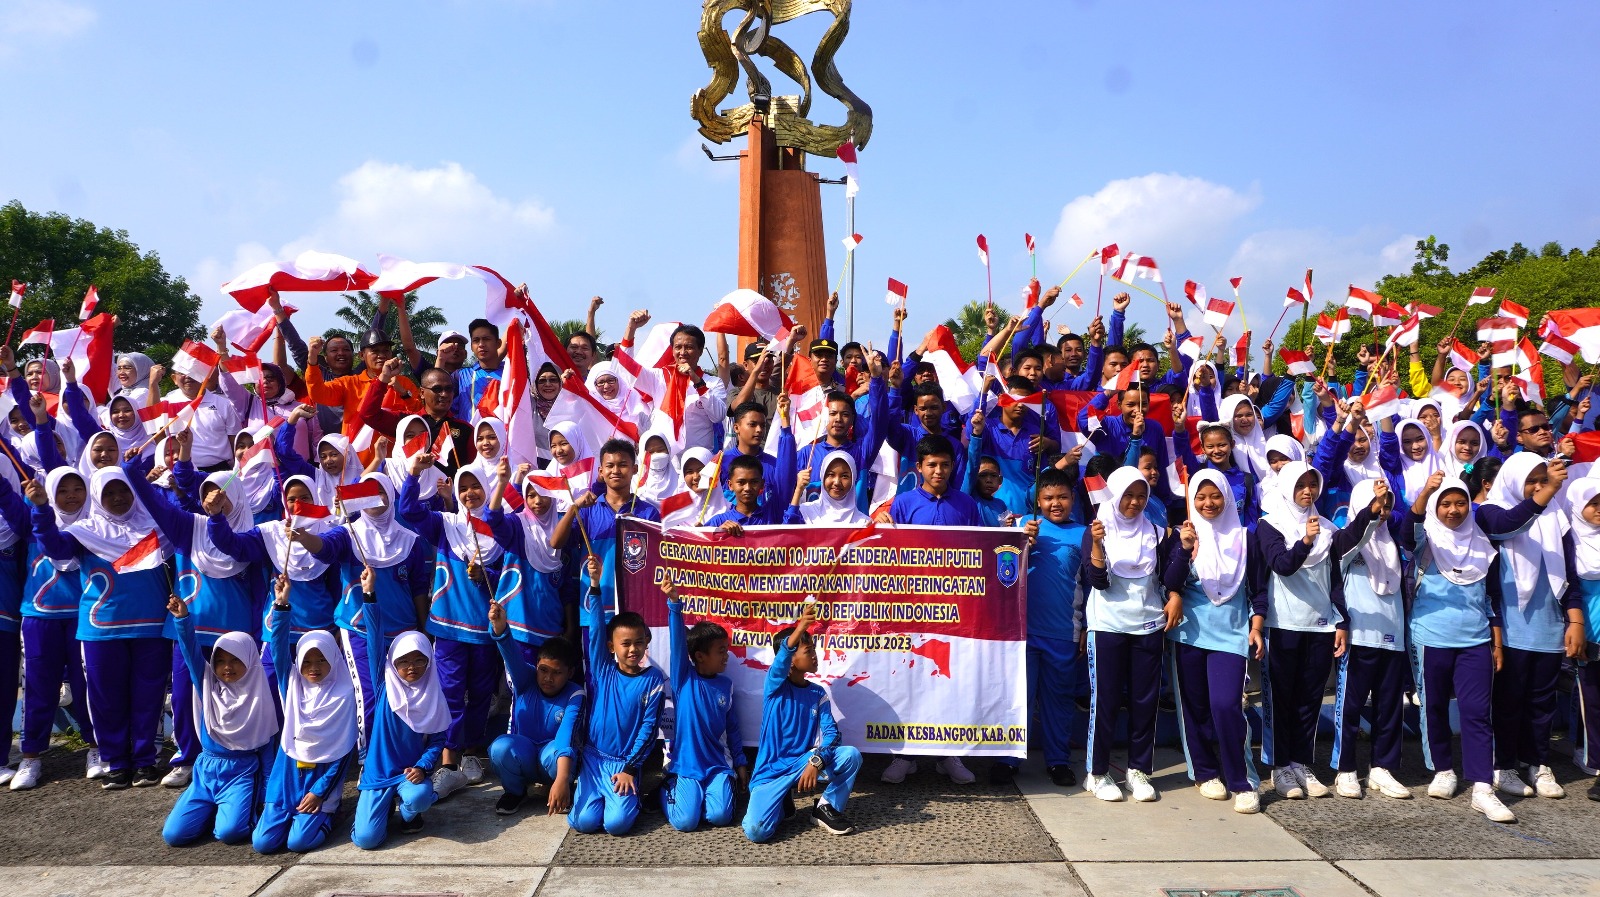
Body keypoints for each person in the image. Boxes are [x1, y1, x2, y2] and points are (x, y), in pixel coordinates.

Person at [1404, 468, 1558, 823]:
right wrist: (1426, 494)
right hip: (1430, 636)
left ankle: (1482, 788)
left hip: (1476, 639)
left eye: (1460, 503)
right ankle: (1443, 768)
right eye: (1445, 504)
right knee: (1434, 707)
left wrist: (1497, 637)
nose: (1453, 511)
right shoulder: (1426, 539)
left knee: (1476, 713)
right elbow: (1406, 529)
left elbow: (1490, 596)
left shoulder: (1482, 540)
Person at [125, 450, 264, 790]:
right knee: (187, 695)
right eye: (207, 495)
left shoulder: (255, 534)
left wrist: (258, 633)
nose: (215, 500)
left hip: (234, 634)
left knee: (236, 698)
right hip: (190, 626)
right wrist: (132, 470)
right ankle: (188, 757)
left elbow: (259, 588)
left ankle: (240, 756)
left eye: (223, 495)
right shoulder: (190, 527)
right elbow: (156, 505)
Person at [28, 467, 172, 789]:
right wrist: (40, 509)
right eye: (109, 492)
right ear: (97, 496)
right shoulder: (84, 531)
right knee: (106, 700)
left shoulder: (156, 529)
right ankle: (117, 762)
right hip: (101, 629)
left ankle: (146, 761)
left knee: (148, 698)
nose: (118, 498)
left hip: (151, 628)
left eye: (123, 490)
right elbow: (55, 547)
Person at [1252, 462, 1376, 801]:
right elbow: (1282, 565)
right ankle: (1279, 767)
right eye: (1301, 485)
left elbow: (1336, 576)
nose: (1308, 491)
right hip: (1282, 625)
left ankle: (1301, 762)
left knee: (1308, 700)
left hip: (1319, 625)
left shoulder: (1326, 528)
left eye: (1312, 484)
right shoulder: (1269, 525)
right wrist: (1306, 540)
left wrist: (1340, 621)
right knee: (1280, 700)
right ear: (1287, 487)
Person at [293, 473, 432, 743]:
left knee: (404, 696)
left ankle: (401, 756)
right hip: (360, 629)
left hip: (402, 632)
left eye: (381, 489)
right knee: (369, 695)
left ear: (391, 495)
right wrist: (304, 538)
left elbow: (417, 588)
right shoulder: (348, 534)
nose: (375, 495)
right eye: (367, 490)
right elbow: (325, 549)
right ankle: (369, 760)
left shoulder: (411, 540)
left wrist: (424, 628)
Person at [397, 459, 506, 799]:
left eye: (476, 486)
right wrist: (414, 473)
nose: (470, 493)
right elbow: (409, 511)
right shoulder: (446, 524)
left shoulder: (499, 529)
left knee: (481, 695)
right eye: (463, 487)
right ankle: (448, 759)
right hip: (447, 627)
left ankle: (472, 753)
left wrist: (486, 577)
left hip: (485, 630)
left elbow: (510, 577)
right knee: (450, 695)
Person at [1162, 469, 1263, 814]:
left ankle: (1241, 780)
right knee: (1196, 708)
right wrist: (1184, 550)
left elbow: (1258, 588)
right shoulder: (1183, 534)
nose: (1208, 503)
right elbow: (1169, 582)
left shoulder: (1246, 537)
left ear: (1227, 497)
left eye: (1215, 496)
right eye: (1200, 497)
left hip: (1231, 633)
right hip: (1190, 632)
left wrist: (1257, 624)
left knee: (1226, 705)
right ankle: (1205, 773)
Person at [1484, 453, 1581, 800]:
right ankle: (1504, 764)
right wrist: (1551, 488)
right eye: (1532, 479)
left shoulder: (1557, 517)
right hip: (1508, 629)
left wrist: (1575, 619)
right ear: (1512, 479)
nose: (1539, 486)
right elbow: (1510, 524)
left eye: (1544, 479)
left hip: (1549, 627)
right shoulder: (1490, 510)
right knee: (1509, 701)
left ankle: (1537, 762)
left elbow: (1569, 574)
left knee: (1542, 703)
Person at [6, 467, 100, 790]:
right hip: (39, 617)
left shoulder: (94, 525)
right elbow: (7, 498)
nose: (71, 495)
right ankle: (31, 756)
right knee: (38, 689)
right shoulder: (33, 519)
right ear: (50, 492)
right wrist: (38, 502)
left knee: (89, 686)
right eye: (63, 490)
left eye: (78, 489)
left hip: (83, 619)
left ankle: (96, 749)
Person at [1080, 467, 1170, 803]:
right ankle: (1097, 772)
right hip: (1107, 625)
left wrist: (1184, 549)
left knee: (1145, 702)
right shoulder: (1097, 530)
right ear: (1115, 496)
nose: (1134, 502)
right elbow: (1097, 581)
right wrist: (1099, 545)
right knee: (1105, 701)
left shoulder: (1158, 533)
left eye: (1141, 495)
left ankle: (1138, 770)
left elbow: (1168, 576)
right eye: (1128, 495)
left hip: (1148, 626)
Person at [993, 467, 1084, 786]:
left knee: (1058, 700)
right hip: (1021, 632)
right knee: (1018, 697)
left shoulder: (1084, 533)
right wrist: (1022, 544)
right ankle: (1007, 759)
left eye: (1062, 497)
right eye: (1048, 498)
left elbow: (1091, 584)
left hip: (1063, 633)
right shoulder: (1022, 526)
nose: (1055, 503)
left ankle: (1058, 760)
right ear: (1038, 500)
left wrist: (1085, 626)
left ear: (1073, 499)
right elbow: (1001, 575)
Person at [742, 602, 862, 841]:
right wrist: (801, 627)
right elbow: (780, 661)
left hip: (802, 763)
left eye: (813, 649)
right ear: (791, 661)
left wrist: (815, 761)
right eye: (808, 651)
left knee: (850, 755)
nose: (815, 655)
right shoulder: (775, 687)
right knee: (757, 832)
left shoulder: (818, 694)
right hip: (770, 773)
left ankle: (826, 808)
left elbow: (832, 735)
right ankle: (781, 800)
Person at [162, 599, 275, 846]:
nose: (227, 667)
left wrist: (266, 800)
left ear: (250, 660)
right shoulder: (208, 686)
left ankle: (230, 811)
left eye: (235, 660)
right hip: (206, 771)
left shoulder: (259, 697)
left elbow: (267, 753)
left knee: (231, 833)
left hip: (241, 772)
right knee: (174, 836)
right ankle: (214, 810)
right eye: (221, 660)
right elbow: (191, 652)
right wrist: (182, 620)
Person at [350, 568, 449, 848]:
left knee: (419, 796)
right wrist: (370, 596)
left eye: (419, 660)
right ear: (393, 662)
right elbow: (374, 637)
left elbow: (438, 740)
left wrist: (423, 765)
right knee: (367, 840)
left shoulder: (432, 694)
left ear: (429, 661)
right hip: (379, 774)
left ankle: (408, 814)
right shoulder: (385, 687)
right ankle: (374, 813)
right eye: (404, 661)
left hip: (409, 775)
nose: (411, 667)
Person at [569, 554, 665, 835]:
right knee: (584, 823)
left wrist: (630, 768)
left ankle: (634, 796)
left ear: (646, 643)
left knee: (617, 825)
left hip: (624, 762)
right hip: (593, 758)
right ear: (612, 647)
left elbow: (648, 729)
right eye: (625, 644)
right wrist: (595, 585)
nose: (633, 649)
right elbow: (597, 630)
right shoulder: (602, 669)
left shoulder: (653, 679)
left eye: (638, 643)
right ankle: (591, 796)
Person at [253, 592, 356, 854]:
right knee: (263, 844)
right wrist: (281, 607)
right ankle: (287, 814)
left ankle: (330, 816)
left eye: (321, 659)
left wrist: (320, 792)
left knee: (299, 843)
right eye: (307, 661)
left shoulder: (344, 695)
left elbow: (342, 753)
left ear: (333, 658)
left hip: (321, 781)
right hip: (286, 779)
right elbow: (277, 647)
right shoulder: (292, 689)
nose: (314, 667)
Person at [1330, 478, 1411, 800]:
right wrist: (1371, 511)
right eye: (1378, 503)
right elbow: (1353, 538)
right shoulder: (1347, 539)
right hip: (1358, 636)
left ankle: (1382, 768)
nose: (1384, 511)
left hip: (1393, 635)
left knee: (1390, 706)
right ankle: (1346, 768)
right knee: (1350, 706)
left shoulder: (1394, 541)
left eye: (1388, 504)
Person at [658, 584, 747, 830]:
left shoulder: (726, 686)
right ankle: (666, 788)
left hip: (718, 766)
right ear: (699, 656)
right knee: (685, 822)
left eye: (726, 650)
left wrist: (740, 763)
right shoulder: (683, 679)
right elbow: (677, 644)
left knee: (720, 817)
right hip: (687, 766)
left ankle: (713, 792)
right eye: (721, 651)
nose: (726, 656)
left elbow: (733, 730)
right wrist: (674, 605)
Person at [486, 599, 582, 817]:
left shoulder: (576, 694)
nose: (548, 678)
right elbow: (511, 655)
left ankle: (560, 788)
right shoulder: (525, 679)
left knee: (559, 753)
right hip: (525, 755)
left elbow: (566, 739)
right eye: (543, 670)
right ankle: (516, 792)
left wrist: (561, 781)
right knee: (500, 747)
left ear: (570, 672)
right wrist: (500, 628)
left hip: (553, 758)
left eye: (557, 672)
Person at [1566, 480, 1600, 801]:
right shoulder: (1572, 541)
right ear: (1578, 506)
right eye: (1594, 503)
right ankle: (1591, 756)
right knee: (1590, 699)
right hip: (1587, 632)